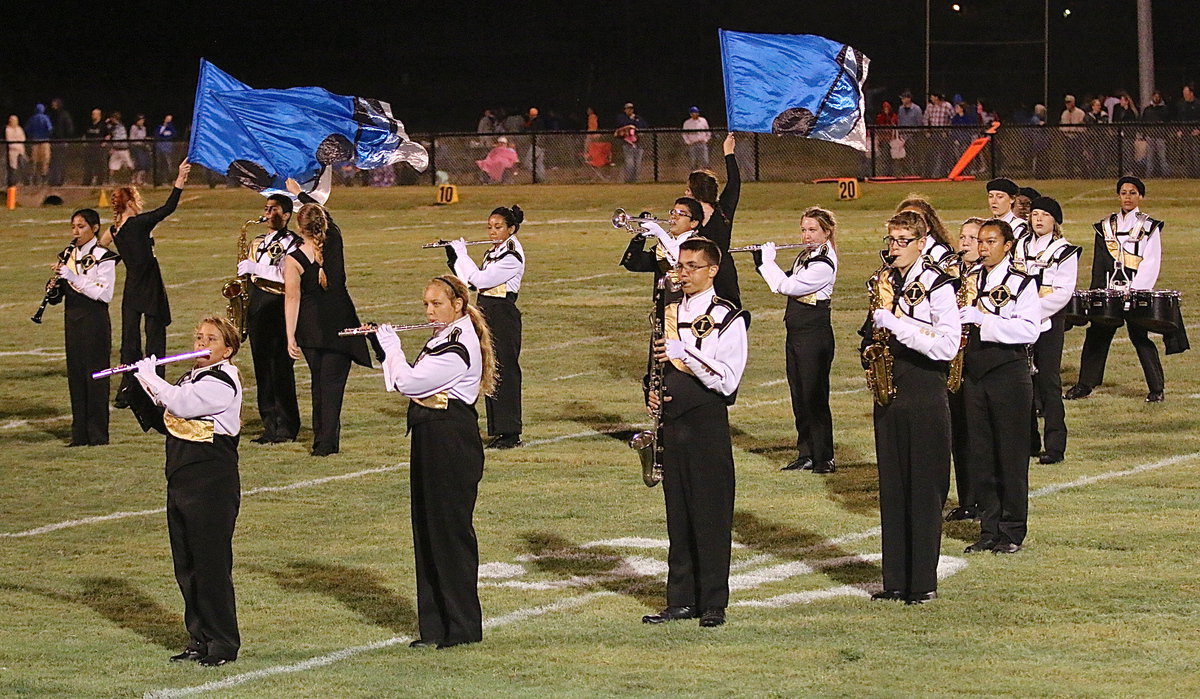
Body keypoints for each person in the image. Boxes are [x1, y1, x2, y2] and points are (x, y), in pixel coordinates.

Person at [377, 275, 496, 648]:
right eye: (426, 305)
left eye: (437, 304)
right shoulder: (442, 338)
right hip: (431, 436)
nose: (429, 312)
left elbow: (411, 384)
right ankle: (435, 627)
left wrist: (391, 348)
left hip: (451, 439)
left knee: (450, 534)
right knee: (426, 530)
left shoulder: (459, 345)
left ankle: (461, 628)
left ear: (458, 304)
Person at [642, 237, 748, 628]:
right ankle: (681, 599)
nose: (682, 274)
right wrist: (651, 393)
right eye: (680, 266)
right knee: (679, 515)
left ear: (712, 271)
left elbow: (728, 381)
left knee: (711, 514)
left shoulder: (728, 316)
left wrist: (685, 353)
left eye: (691, 267)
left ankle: (713, 601)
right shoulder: (668, 312)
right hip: (672, 426)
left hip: (706, 425)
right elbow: (655, 367)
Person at [132, 316, 244, 666]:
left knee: (211, 565)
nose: (201, 344)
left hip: (211, 480)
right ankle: (199, 638)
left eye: (211, 339)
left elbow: (182, 405)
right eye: (198, 337)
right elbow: (166, 417)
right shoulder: (191, 378)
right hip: (183, 476)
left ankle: (223, 643)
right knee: (188, 566)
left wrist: (152, 378)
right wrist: (138, 383)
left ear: (228, 349)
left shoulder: (223, 381)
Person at [862, 211, 959, 604]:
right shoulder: (886, 282)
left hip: (924, 388)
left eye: (903, 241)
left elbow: (948, 345)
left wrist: (897, 324)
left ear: (922, 242)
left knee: (923, 488)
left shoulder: (938, 284)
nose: (895, 248)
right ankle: (895, 581)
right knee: (893, 487)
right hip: (891, 390)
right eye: (891, 240)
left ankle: (922, 584)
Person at [959, 219, 1041, 555]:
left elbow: (1030, 330)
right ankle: (989, 527)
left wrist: (984, 320)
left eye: (990, 241)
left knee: (1010, 453)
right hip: (975, 372)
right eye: (980, 241)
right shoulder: (971, 279)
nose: (983, 247)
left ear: (1007, 245)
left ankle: (1012, 530)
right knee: (981, 454)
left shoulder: (1022, 283)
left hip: (1008, 371)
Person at [283, 185, 373, 456]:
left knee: (319, 384)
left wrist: (290, 335)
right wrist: (301, 194)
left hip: (310, 329)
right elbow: (325, 215)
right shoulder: (334, 237)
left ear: (300, 227)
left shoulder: (293, 259)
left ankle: (322, 440)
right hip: (340, 323)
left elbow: (292, 299)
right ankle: (326, 443)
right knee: (332, 386)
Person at [1065, 177, 1168, 402]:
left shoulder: (1149, 226)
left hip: (1135, 291)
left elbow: (1151, 261)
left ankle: (1156, 388)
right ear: (1118, 196)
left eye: (1133, 192)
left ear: (1140, 196)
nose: (1128, 197)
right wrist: (1097, 292)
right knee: (1097, 335)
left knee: (1140, 337)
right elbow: (1099, 263)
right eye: (1123, 192)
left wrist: (1137, 290)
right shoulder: (1106, 226)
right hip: (1109, 292)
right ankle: (1085, 384)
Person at [752, 208, 838, 474]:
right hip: (798, 333)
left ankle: (824, 458)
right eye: (803, 230)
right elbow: (785, 280)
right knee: (799, 395)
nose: (806, 235)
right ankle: (806, 453)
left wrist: (767, 262)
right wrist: (761, 264)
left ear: (826, 232)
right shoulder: (807, 256)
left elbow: (787, 287)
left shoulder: (823, 263)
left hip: (814, 334)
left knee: (814, 396)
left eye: (813, 230)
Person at [100, 160, 192, 409]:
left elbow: (100, 251)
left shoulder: (114, 230)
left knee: (129, 341)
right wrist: (180, 179)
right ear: (131, 202)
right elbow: (169, 208)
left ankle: (126, 391)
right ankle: (155, 388)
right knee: (155, 340)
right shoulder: (139, 224)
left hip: (132, 287)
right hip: (150, 287)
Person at [448, 205, 526, 449]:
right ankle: (498, 429)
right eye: (490, 227)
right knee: (489, 369)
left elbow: (482, 279)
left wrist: (463, 255)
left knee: (505, 371)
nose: (492, 232)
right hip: (485, 312)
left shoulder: (511, 255)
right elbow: (470, 284)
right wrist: (454, 259)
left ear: (511, 229)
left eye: (498, 227)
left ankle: (511, 431)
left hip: (502, 313)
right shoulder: (494, 251)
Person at [1017, 197, 1080, 465]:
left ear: (1055, 220)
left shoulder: (1064, 251)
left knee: (1049, 382)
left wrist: (1032, 311)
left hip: (1048, 324)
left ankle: (1055, 445)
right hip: (1019, 323)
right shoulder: (1019, 246)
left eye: (1045, 215)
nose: (1038, 219)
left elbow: (1062, 293)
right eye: (1035, 214)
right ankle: (1028, 442)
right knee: (1023, 383)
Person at [237, 194, 303, 441]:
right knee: (262, 368)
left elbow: (288, 276)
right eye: (266, 208)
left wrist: (257, 269)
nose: (267, 213)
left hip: (278, 306)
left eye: (273, 209)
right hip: (257, 306)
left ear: (286, 215)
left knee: (281, 369)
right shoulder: (257, 242)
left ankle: (287, 425)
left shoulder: (294, 243)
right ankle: (269, 424)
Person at [55, 208, 120, 446]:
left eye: (81, 226)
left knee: (96, 377)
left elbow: (104, 294)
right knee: (76, 376)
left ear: (94, 228)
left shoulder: (104, 256)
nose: (76, 231)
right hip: (72, 320)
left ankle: (98, 435)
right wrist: (53, 289)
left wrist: (73, 278)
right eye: (73, 227)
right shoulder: (68, 255)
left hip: (95, 321)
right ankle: (79, 434)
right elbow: (60, 295)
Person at [945, 217, 985, 522]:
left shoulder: (989, 276)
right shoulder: (950, 274)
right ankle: (968, 499)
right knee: (959, 433)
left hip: (981, 357)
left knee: (980, 434)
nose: (966, 243)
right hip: (954, 358)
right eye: (963, 237)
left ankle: (985, 499)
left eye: (973, 237)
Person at [685, 133, 741, 305]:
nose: (686, 193)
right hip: (716, 272)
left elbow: (734, 183)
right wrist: (728, 152)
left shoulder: (692, 217)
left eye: (688, 189)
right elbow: (734, 182)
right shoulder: (721, 210)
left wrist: (728, 152)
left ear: (696, 192)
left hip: (711, 274)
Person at [620, 197, 703, 303]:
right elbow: (633, 264)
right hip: (664, 306)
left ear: (693, 223)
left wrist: (660, 233)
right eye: (673, 212)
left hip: (688, 306)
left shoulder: (699, 244)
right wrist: (640, 237)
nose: (674, 217)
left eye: (681, 214)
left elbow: (679, 260)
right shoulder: (664, 246)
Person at [895, 195, 958, 272]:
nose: (907, 226)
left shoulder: (939, 253)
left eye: (916, 221)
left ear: (928, 226)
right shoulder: (896, 250)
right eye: (902, 221)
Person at [614, 102, 649, 183]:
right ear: (625, 110)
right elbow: (621, 124)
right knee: (630, 163)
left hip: (638, 143)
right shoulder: (622, 117)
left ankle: (635, 180)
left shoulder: (638, 118)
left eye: (631, 109)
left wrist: (634, 121)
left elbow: (644, 126)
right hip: (627, 143)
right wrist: (631, 122)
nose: (630, 110)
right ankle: (629, 180)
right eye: (628, 109)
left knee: (638, 164)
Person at [48, 98, 74, 186]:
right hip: (53, 141)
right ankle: (53, 180)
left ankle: (59, 181)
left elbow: (69, 128)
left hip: (61, 141)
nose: (53, 106)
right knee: (54, 162)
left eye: (54, 104)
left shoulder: (64, 115)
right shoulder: (52, 115)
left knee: (60, 161)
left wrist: (66, 139)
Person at [25, 104, 52, 184]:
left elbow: (27, 129)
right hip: (44, 141)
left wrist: (32, 136)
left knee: (34, 160)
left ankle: (33, 177)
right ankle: (43, 177)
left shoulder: (32, 119)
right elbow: (50, 129)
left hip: (35, 141)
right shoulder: (45, 118)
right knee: (45, 159)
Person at [682, 106, 711, 171]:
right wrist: (688, 142)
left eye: (697, 112)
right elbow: (684, 134)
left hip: (702, 143)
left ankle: (706, 174)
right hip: (693, 143)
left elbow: (708, 131)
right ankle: (694, 175)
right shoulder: (687, 123)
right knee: (693, 161)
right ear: (691, 114)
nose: (696, 114)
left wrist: (706, 139)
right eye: (694, 113)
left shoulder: (703, 120)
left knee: (705, 160)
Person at [83, 108, 107, 186]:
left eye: (94, 114)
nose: (93, 115)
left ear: (99, 115)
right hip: (90, 148)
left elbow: (108, 135)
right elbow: (85, 134)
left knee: (99, 165)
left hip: (99, 148)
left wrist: (104, 142)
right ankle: (87, 181)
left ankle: (100, 182)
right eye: (92, 114)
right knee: (88, 165)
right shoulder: (89, 124)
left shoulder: (103, 125)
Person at [106, 112, 133, 179]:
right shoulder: (112, 126)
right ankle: (110, 180)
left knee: (130, 165)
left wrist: (107, 122)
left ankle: (133, 179)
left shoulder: (120, 126)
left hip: (123, 149)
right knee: (112, 166)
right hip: (116, 149)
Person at [5, 115, 26, 187]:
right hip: (13, 151)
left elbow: (23, 139)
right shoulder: (8, 129)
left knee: (23, 165)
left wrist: (17, 142)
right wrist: (17, 143)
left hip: (20, 150)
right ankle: (13, 182)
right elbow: (10, 141)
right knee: (13, 168)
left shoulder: (19, 129)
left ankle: (25, 182)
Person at [156, 115, 177, 183]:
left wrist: (169, 125)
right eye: (167, 119)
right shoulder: (160, 127)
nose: (168, 121)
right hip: (160, 149)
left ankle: (169, 180)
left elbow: (174, 134)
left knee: (168, 165)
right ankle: (159, 181)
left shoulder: (171, 128)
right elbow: (158, 136)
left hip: (168, 149)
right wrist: (164, 128)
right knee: (160, 165)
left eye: (170, 120)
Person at [129, 115, 150, 185]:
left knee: (144, 164)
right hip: (135, 147)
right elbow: (132, 138)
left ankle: (140, 179)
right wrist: (139, 142)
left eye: (143, 120)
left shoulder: (143, 128)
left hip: (142, 147)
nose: (142, 122)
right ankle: (134, 179)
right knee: (138, 164)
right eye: (140, 120)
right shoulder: (133, 127)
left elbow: (143, 137)